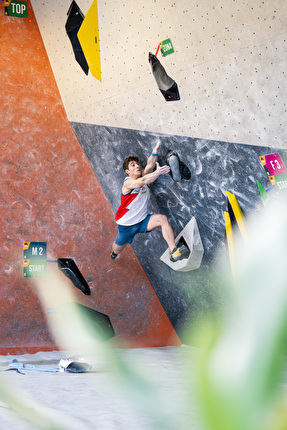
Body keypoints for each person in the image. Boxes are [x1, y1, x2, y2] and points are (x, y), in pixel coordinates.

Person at [110, 139, 189, 262]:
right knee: (117, 249)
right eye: (132, 165)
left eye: (137, 164)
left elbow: (150, 165)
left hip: (142, 221)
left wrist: (155, 151)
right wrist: (157, 173)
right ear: (127, 171)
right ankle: (114, 253)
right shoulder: (128, 183)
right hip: (126, 226)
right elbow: (141, 182)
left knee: (162, 219)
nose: (137, 166)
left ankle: (174, 251)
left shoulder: (145, 176)